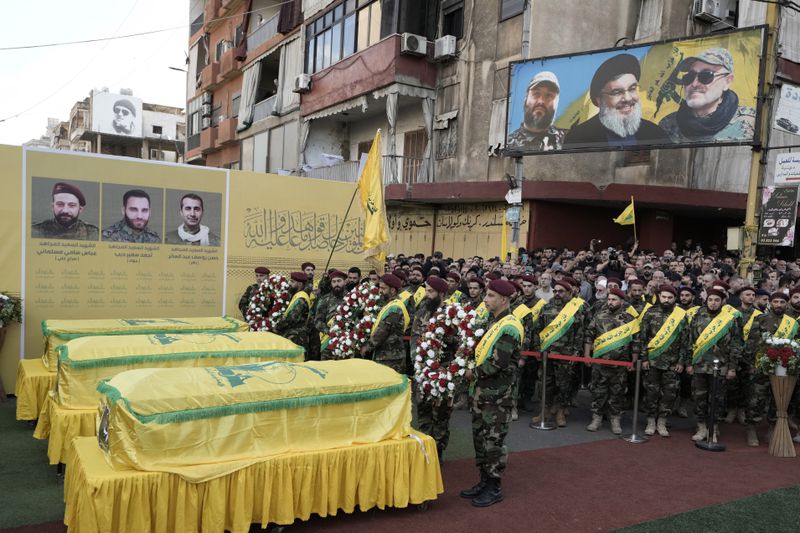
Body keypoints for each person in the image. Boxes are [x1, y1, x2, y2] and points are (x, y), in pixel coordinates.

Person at [460, 279, 523, 507]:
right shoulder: (493, 321)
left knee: (493, 442)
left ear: (503, 299)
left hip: (497, 397)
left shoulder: (509, 327)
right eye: (486, 295)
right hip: (482, 394)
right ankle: (483, 481)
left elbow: (498, 364)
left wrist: (470, 373)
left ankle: (494, 487)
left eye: (490, 296)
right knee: (480, 438)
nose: (485, 300)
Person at [562, 53, 669, 149]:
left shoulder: (656, 134)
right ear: (599, 100)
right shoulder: (578, 138)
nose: (627, 98)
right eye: (617, 92)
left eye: (632, 89)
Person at [659, 47, 756, 143]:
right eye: (689, 77)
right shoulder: (668, 125)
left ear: (727, 81)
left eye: (706, 76)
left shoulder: (751, 121)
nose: (694, 84)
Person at [411, 276, 459, 459]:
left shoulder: (452, 313)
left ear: (441, 293)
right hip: (422, 370)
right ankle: (424, 450)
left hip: (443, 370)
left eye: (430, 292)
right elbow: (415, 338)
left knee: (440, 413)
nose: (426, 295)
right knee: (423, 410)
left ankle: (438, 451)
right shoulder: (422, 311)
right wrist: (418, 362)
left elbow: (459, 342)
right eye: (426, 290)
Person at [686, 288, 742, 442]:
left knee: (718, 398)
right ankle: (701, 426)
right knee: (699, 396)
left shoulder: (729, 318)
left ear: (722, 302)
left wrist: (732, 367)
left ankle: (714, 428)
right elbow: (690, 340)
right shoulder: (698, 316)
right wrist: (689, 363)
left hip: (721, 365)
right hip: (700, 363)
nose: (713, 303)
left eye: (717, 300)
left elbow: (736, 344)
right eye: (710, 299)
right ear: (706, 300)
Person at [742, 292, 798, 446]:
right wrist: (751, 365)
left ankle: (772, 427)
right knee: (756, 397)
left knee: (778, 398)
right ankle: (751, 428)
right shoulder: (761, 319)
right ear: (770, 303)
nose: (778, 305)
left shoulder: (792, 322)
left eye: (781, 302)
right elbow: (751, 344)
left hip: (782, 367)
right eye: (775, 302)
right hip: (761, 365)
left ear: (786, 304)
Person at [584, 287, 641, 434]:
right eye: (609, 299)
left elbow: (636, 342)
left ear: (622, 301)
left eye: (614, 299)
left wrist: (633, 361)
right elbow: (589, 336)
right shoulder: (599, 316)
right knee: (598, 391)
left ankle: (615, 419)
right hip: (600, 362)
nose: (610, 302)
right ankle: (596, 418)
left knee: (618, 392)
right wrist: (587, 355)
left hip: (620, 364)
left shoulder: (629, 320)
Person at [530, 280, 586, 427]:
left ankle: (560, 411)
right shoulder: (546, 308)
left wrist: (575, 353)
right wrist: (537, 349)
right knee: (545, 384)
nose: (557, 294)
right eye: (555, 291)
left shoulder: (574, 310)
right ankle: (545, 411)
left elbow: (580, 333)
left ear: (569, 293)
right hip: (546, 352)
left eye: (561, 291)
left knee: (564, 384)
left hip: (565, 354)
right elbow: (537, 330)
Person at [639, 285, 689, 437]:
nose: (666, 300)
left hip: (672, 363)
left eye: (670, 297)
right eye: (664, 297)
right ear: (659, 297)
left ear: (675, 299)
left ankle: (662, 420)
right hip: (653, 361)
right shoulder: (650, 313)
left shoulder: (681, 315)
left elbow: (685, 341)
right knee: (651, 392)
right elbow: (642, 338)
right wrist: (645, 358)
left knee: (669, 393)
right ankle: (650, 421)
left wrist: (681, 361)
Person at [361, 273, 410, 373]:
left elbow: (382, 331)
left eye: (383, 289)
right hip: (386, 355)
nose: (380, 291)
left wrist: (367, 347)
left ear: (392, 290)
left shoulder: (394, 308)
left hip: (390, 358)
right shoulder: (390, 304)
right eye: (379, 288)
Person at [507, 71, 566, 152]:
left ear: (557, 104)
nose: (541, 101)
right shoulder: (508, 145)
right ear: (525, 99)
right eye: (536, 94)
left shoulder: (570, 138)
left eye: (549, 95)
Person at [31, 182, 99, 240]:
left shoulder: (93, 233)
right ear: (52, 207)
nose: (65, 210)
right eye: (60, 204)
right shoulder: (37, 230)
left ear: (80, 209)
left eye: (72, 205)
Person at [273, 271, 311, 349]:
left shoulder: (301, 298)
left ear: (300, 284)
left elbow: (291, 318)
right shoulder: (295, 296)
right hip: (291, 335)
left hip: (296, 337)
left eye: (292, 282)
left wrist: (276, 328)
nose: (290, 283)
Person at [316, 270, 347, 358]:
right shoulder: (325, 299)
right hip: (328, 343)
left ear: (344, 282)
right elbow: (318, 321)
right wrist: (330, 332)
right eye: (334, 281)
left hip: (346, 342)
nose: (336, 284)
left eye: (339, 281)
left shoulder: (351, 298)